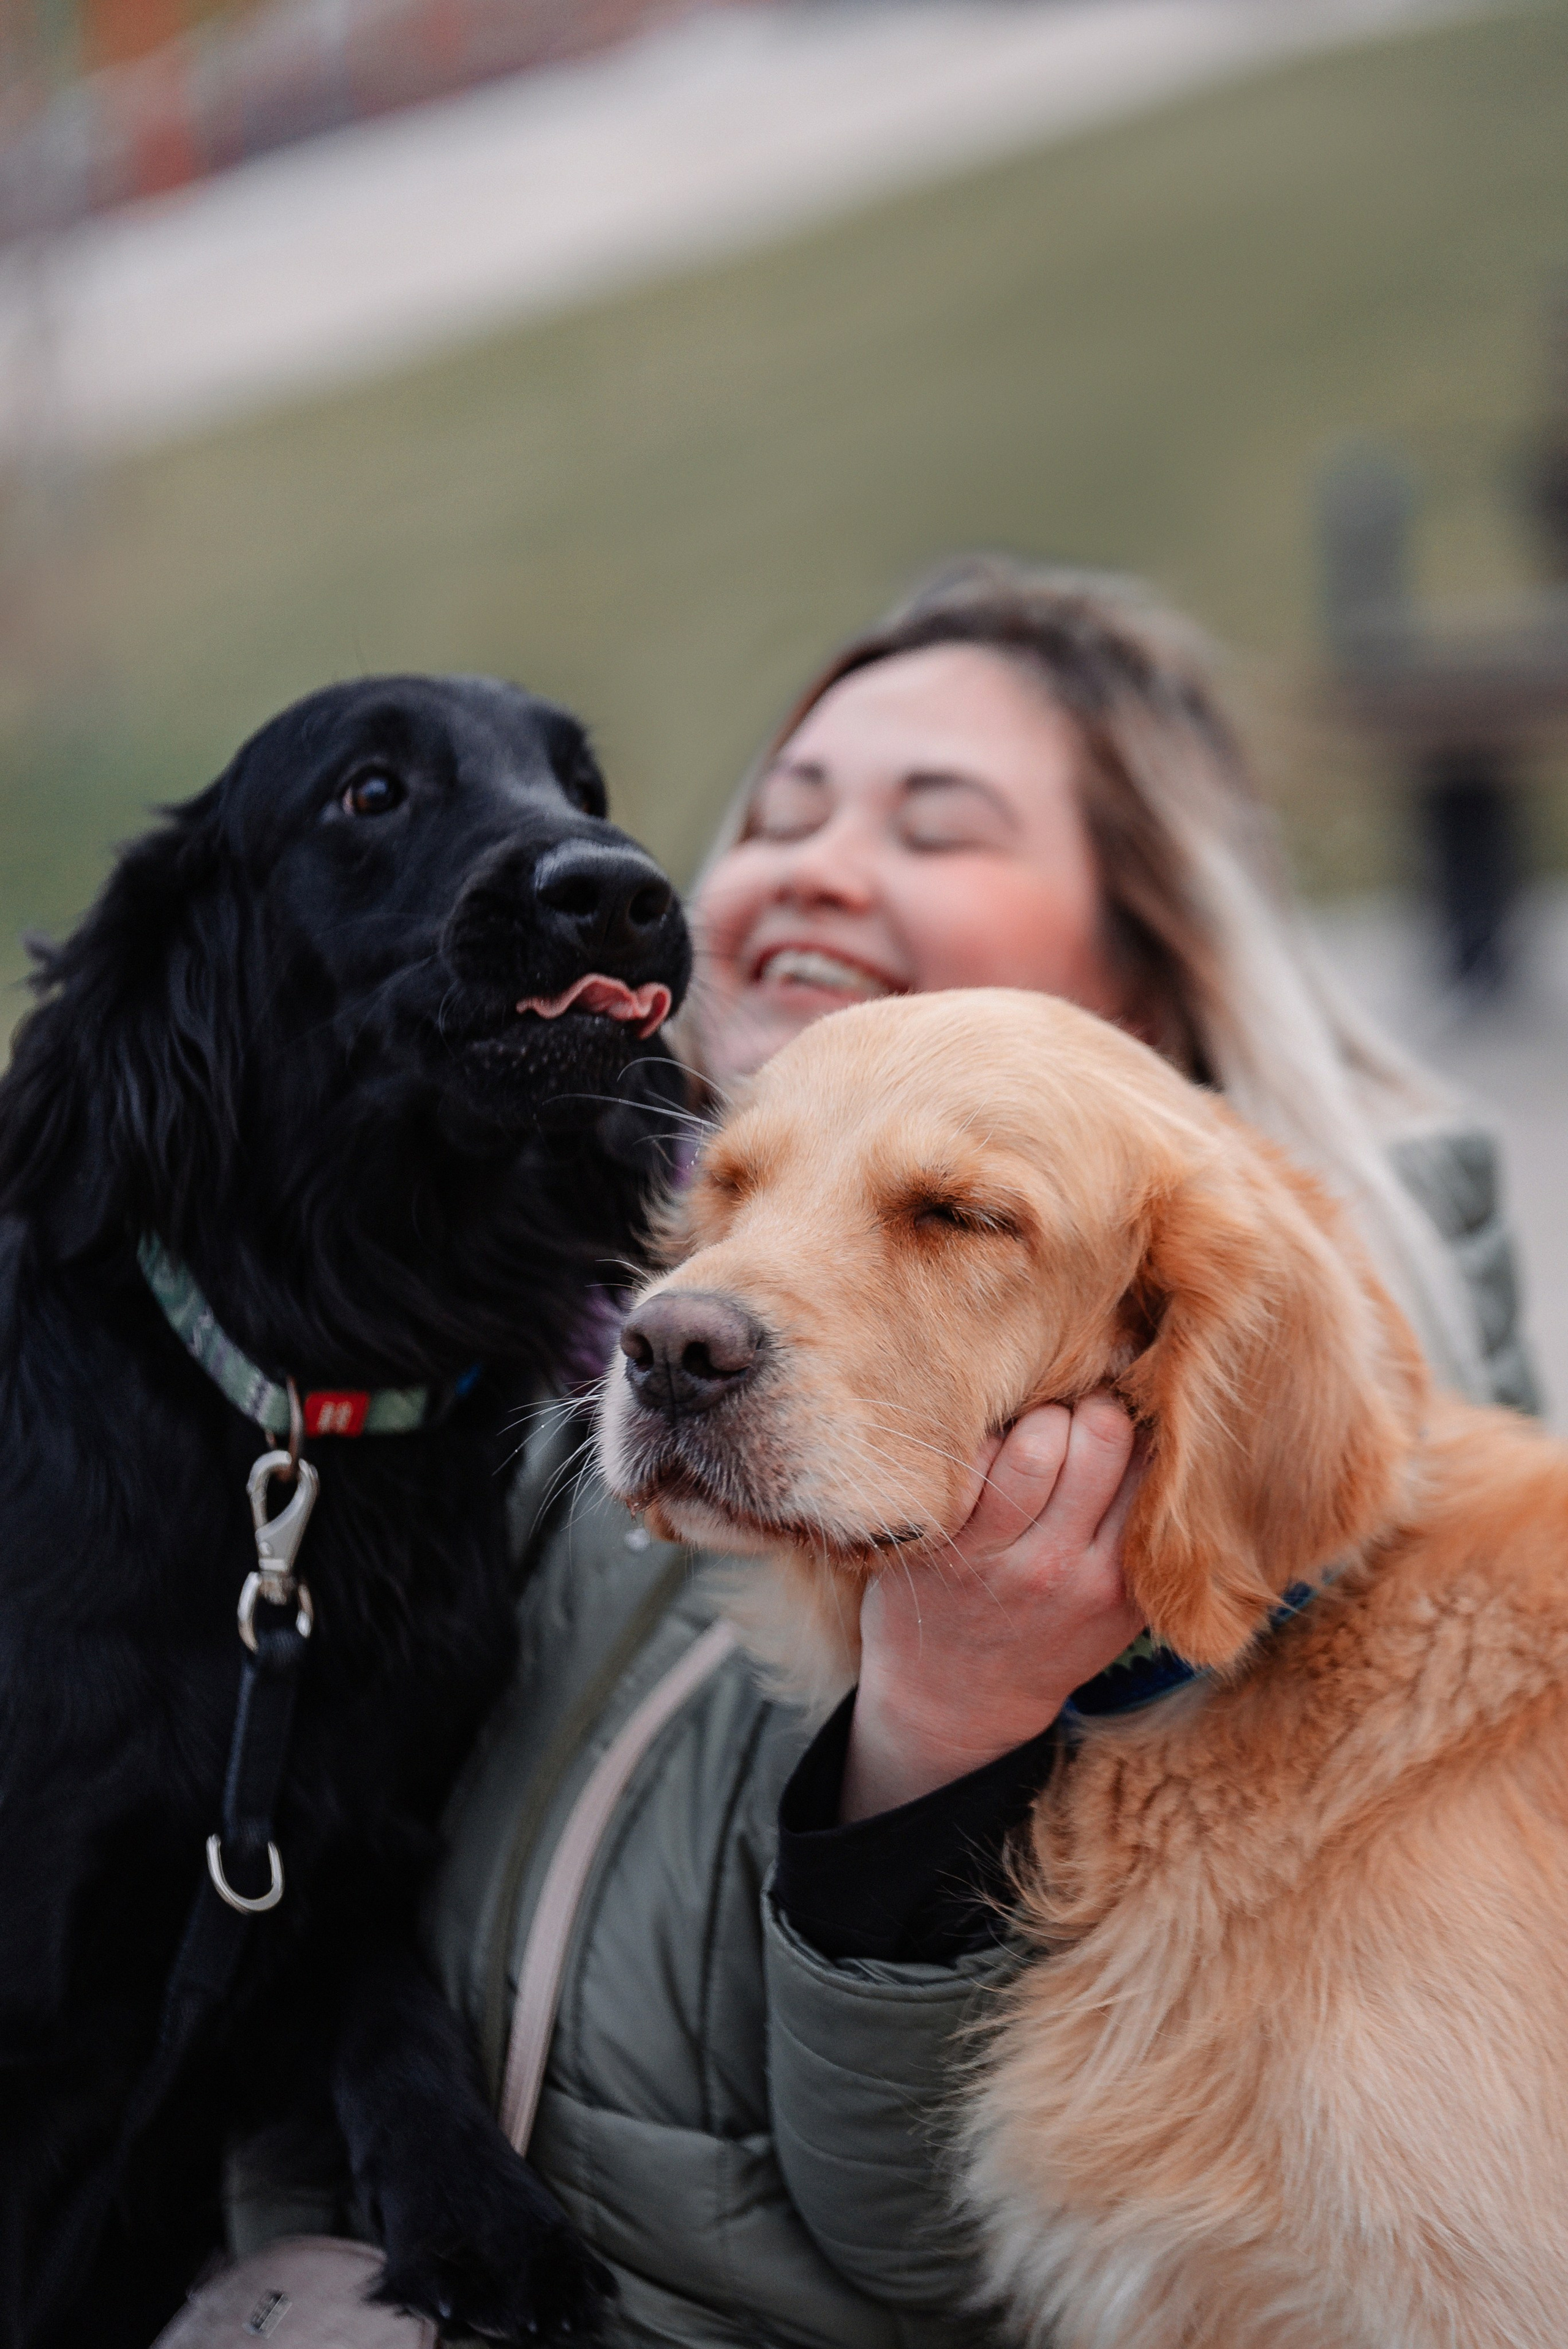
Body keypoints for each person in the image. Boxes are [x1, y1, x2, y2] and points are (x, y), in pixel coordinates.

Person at [228, 558, 1537, 2345]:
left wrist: (938, 1731)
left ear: (1147, 972)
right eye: (782, 810)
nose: (821, 862)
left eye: (935, 822)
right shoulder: (534, 1333)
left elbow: (925, 2257)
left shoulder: (1280, 1429)